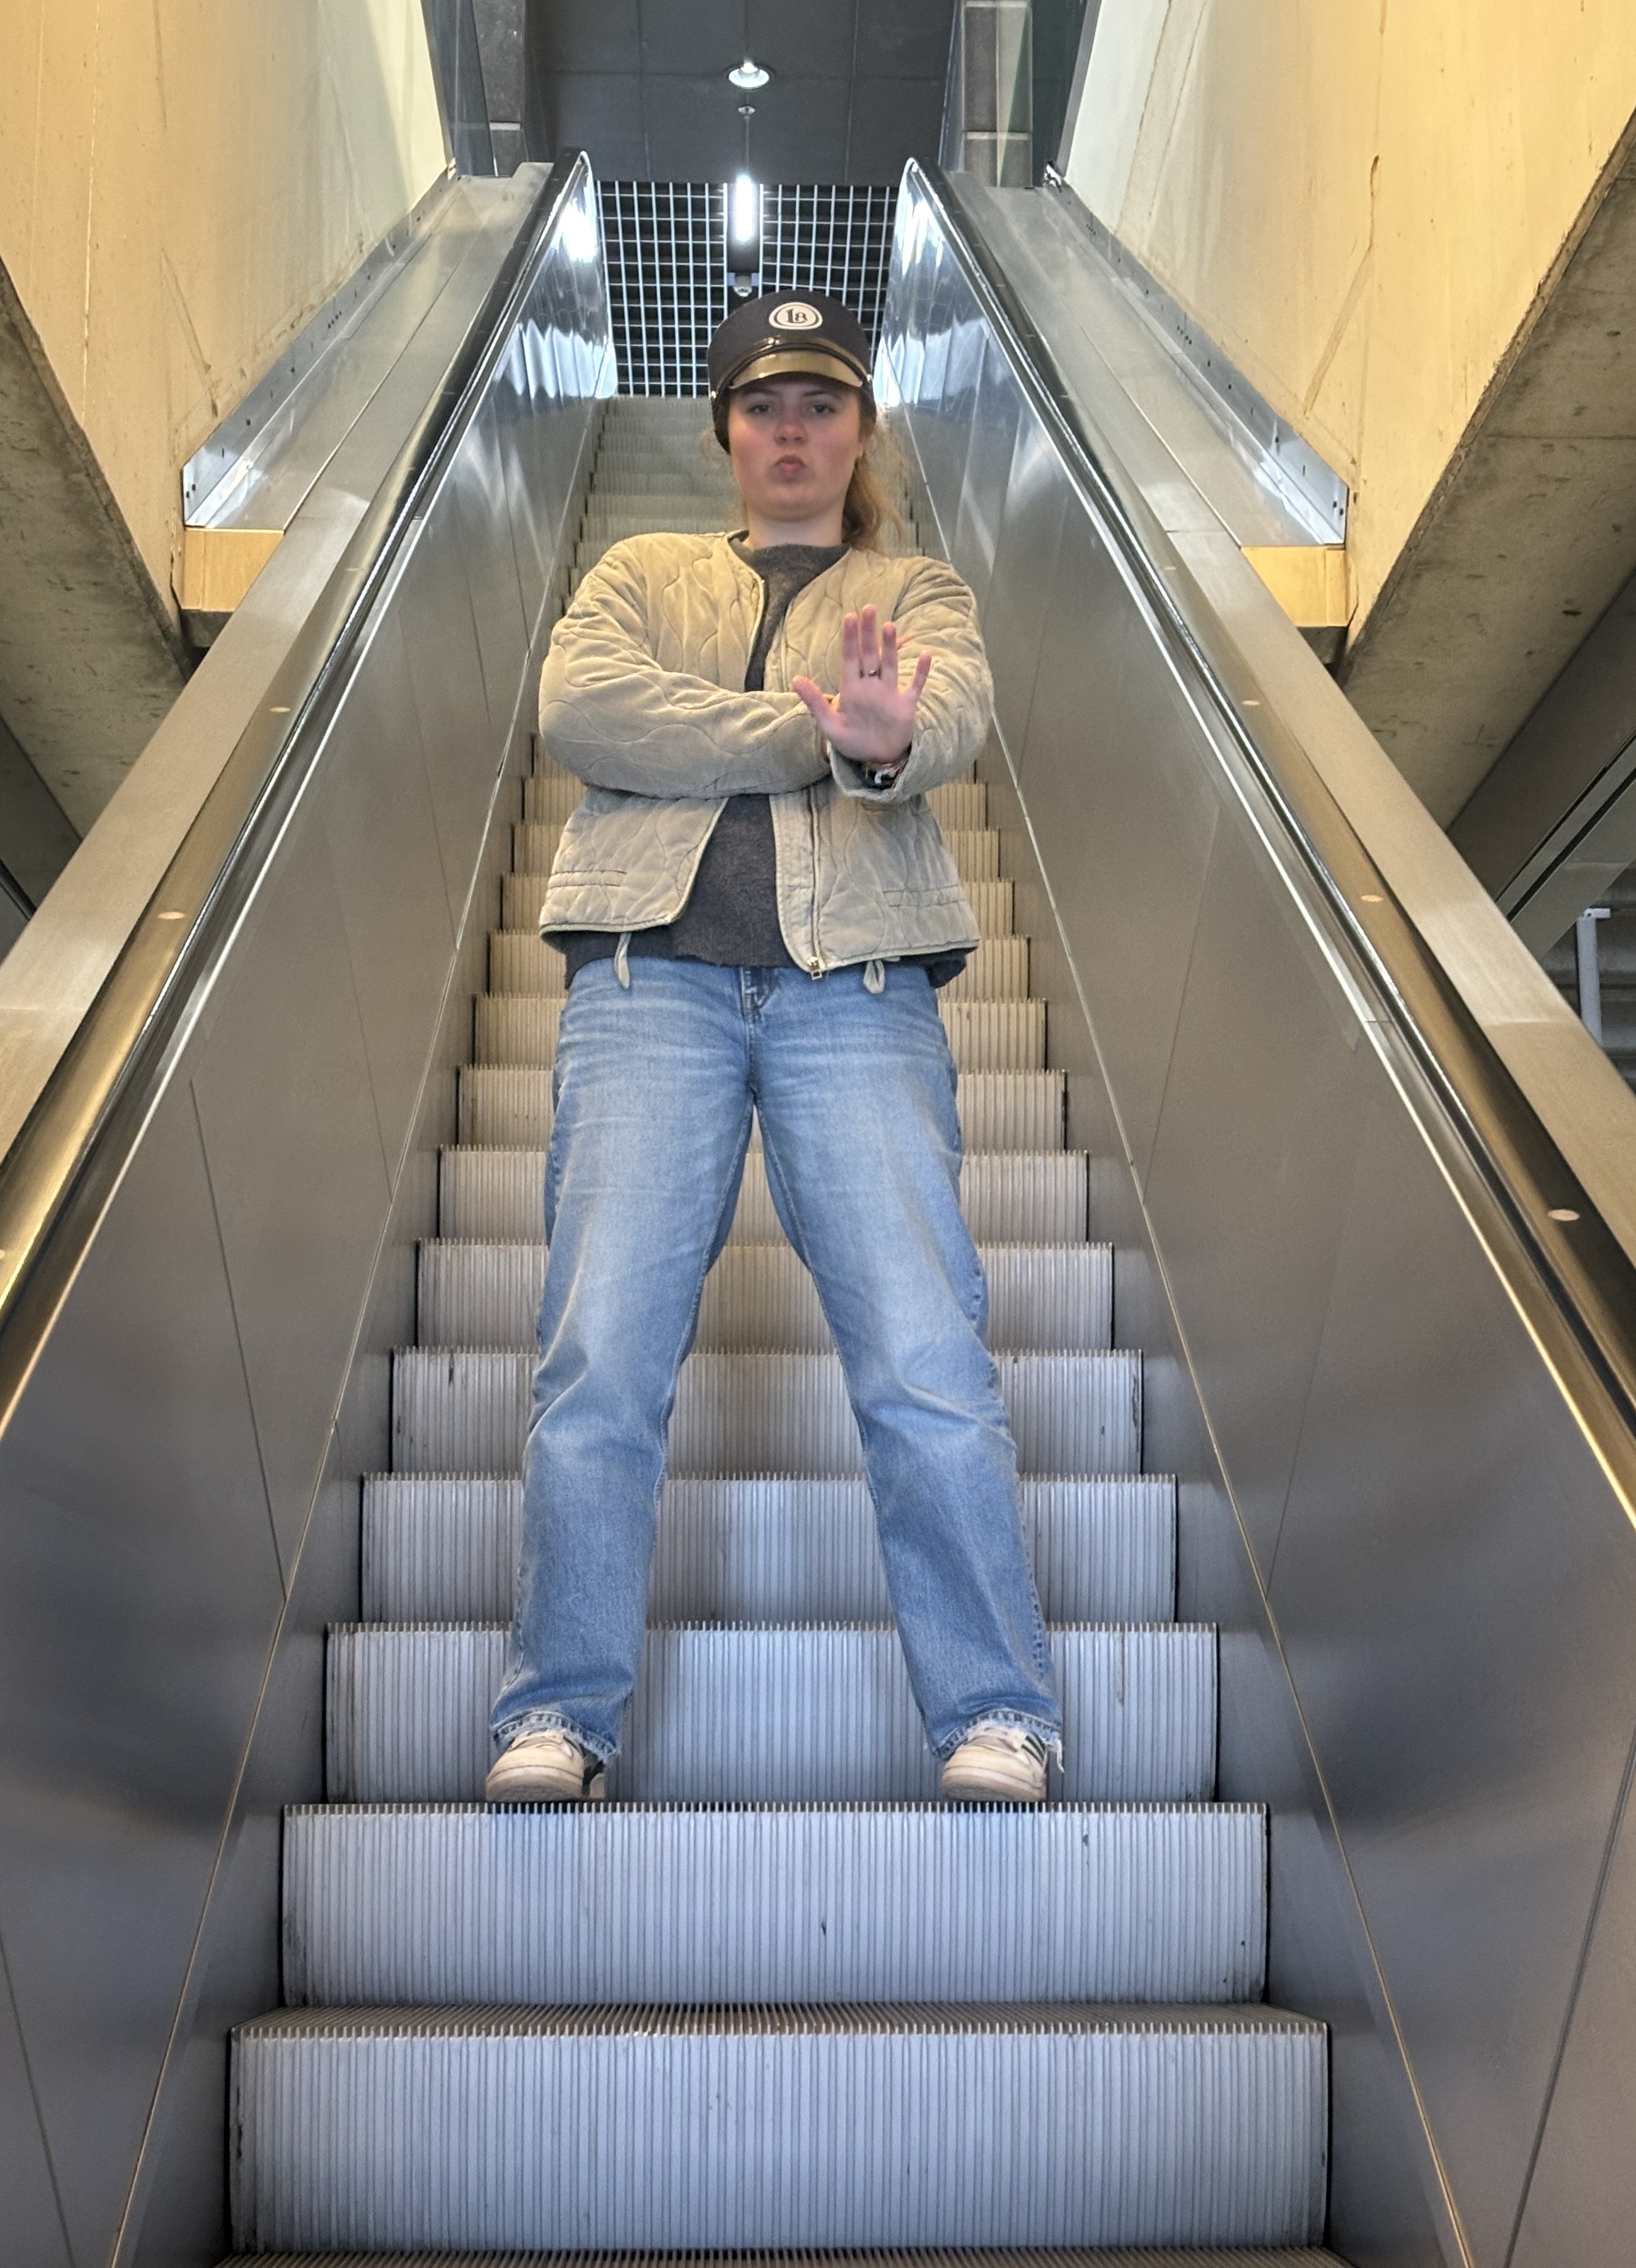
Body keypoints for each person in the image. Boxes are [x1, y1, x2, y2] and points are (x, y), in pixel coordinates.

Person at [485, 288, 1061, 1806]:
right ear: (725, 431)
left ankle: (996, 1712)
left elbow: (946, 724)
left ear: (859, 428)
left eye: (821, 405)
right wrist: (813, 735)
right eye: (765, 405)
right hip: (644, 985)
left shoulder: (917, 585)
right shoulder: (639, 570)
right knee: (601, 1350)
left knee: (924, 1355)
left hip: (856, 991)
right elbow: (585, 714)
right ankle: (559, 1710)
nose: (792, 430)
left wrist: (877, 736)